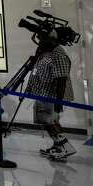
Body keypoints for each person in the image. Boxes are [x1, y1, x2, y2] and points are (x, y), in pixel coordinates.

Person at [25, 30, 76, 160]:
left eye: (43, 39)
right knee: (49, 121)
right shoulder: (47, 52)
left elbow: (61, 80)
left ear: (53, 39)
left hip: (51, 96)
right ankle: (58, 146)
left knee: (49, 121)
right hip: (42, 94)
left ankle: (66, 147)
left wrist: (59, 101)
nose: (40, 42)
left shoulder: (58, 54)